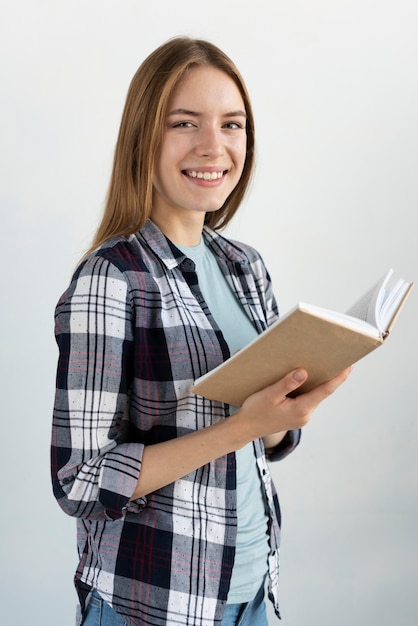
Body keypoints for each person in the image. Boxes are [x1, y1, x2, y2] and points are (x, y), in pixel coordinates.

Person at [51, 36, 351, 626]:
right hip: (152, 602)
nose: (214, 146)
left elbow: (265, 444)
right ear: (145, 137)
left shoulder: (245, 266)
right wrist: (245, 425)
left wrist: (283, 418)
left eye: (232, 124)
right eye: (185, 123)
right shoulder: (111, 278)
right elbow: (80, 483)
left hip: (252, 591)